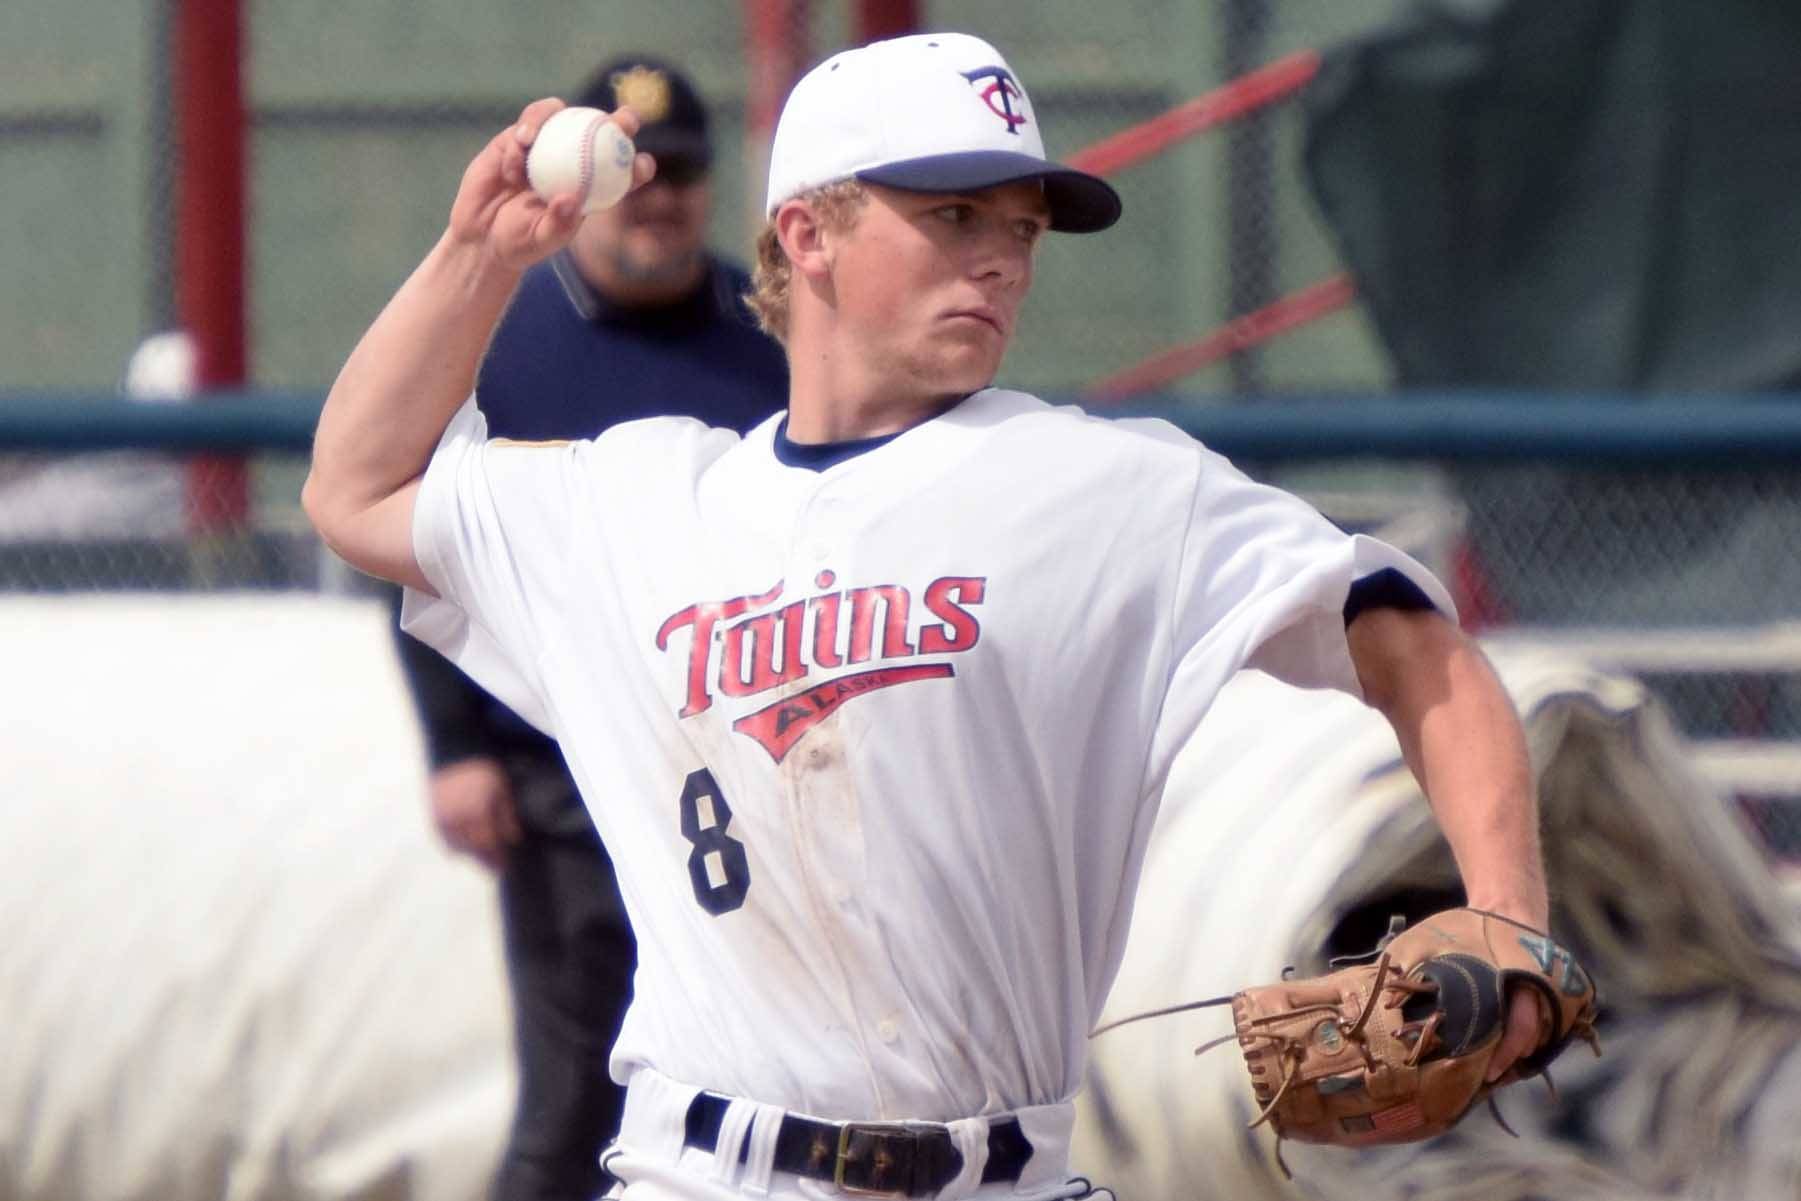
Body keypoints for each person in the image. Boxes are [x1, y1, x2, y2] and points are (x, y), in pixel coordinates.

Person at [305, 32, 1550, 1201]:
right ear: (808, 233)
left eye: (1020, 224)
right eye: (950, 214)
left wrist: (1505, 914)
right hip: (702, 1169)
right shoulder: (633, 501)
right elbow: (355, 487)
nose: (1001, 255)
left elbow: (1410, 639)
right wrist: (480, 251)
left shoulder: (1112, 488)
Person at [390, 55, 787, 1201]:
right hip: (560, 781)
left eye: (683, 175)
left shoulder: (764, 333)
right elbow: (404, 537)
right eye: (637, 173)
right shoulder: (506, 341)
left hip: (733, 777)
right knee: (576, 1102)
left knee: (746, 1088)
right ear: (588, 189)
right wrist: (455, 746)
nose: (658, 195)